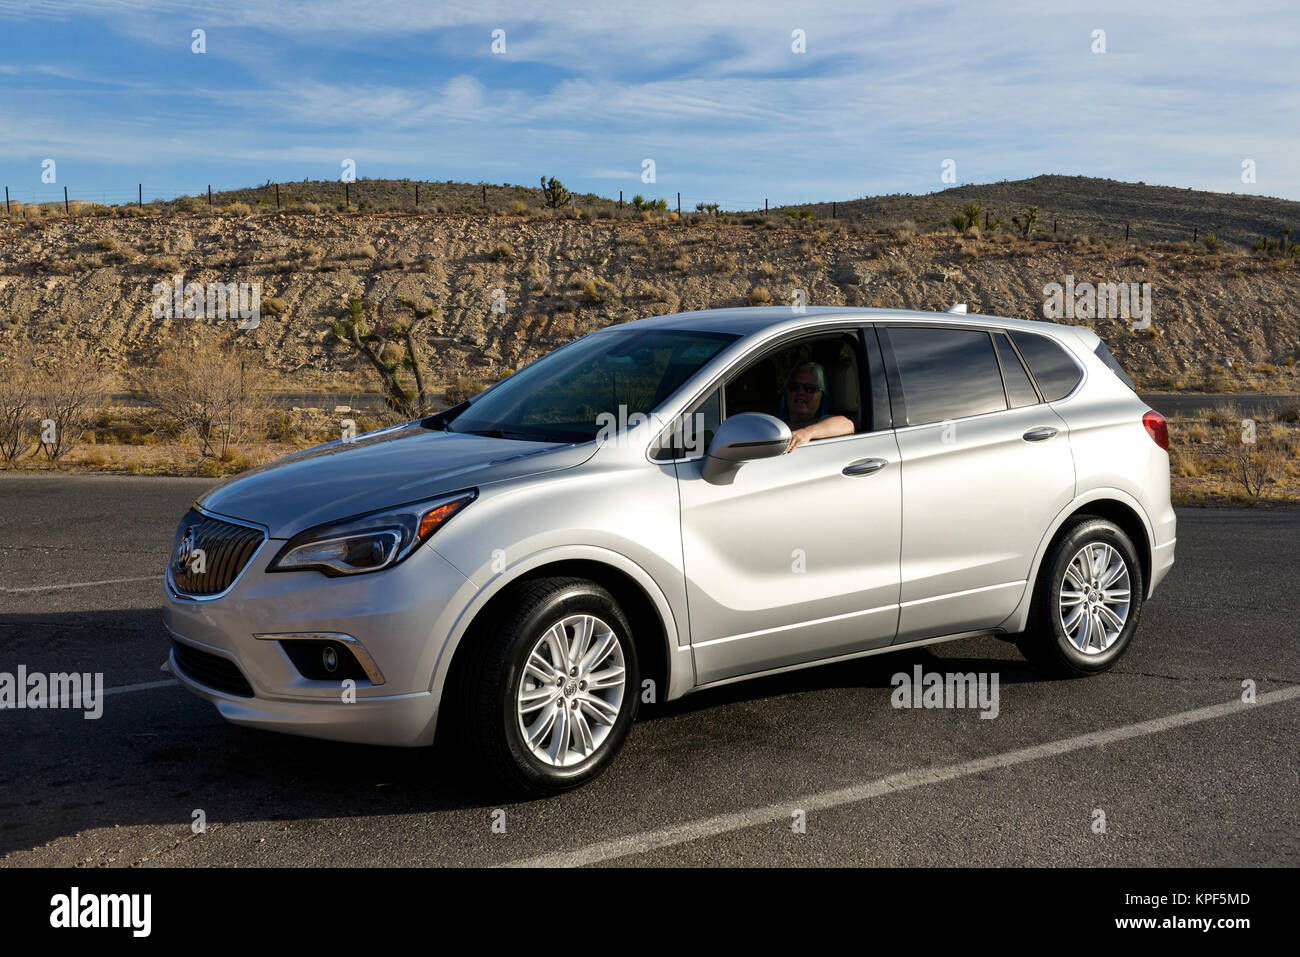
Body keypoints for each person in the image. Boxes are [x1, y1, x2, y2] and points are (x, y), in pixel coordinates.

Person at [779, 362, 854, 451]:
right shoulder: (775, 423)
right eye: (794, 387)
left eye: (810, 389)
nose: (801, 393)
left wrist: (807, 433)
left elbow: (847, 425)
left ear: (822, 397)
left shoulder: (822, 422)